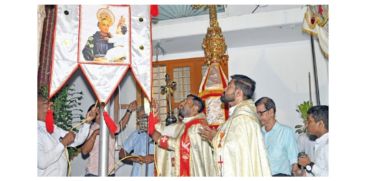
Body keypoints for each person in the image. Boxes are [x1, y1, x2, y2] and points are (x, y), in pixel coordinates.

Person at [199, 74, 271, 176]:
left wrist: (215, 137)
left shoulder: (243, 119)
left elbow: (234, 150)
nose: (225, 89)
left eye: (229, 86)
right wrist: (216, 136)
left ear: (238, 93)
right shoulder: (237, 117)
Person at [149, 94, 216, 176]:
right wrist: (154, 113)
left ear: (195, 108)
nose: (182, 104)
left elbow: (182, 145)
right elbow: (164, 131)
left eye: (186, 102)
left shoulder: (197, 126)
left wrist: (160, 139)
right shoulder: (187, 124)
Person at [37, 92, 96, 176]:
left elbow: (77, 140)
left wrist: (87, 122)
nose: (51, 103)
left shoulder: (54, 129)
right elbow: (42, 162)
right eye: (46, 103)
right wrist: (63, 143)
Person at [81, 100, 137, 176]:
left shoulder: (109, 126)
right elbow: (84, 151)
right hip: (93, 174)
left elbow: (121, 125)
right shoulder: (89, 129)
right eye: (96, 113)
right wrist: (94, 134)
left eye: (100, 111)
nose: (99, 114)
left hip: (110, 173)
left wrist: (129, 110)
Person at [255, 97, 299, 176]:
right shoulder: (258, 133)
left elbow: (294, 161)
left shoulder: (286, 132)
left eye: (261, 113)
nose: (258, 116)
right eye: (257, 113)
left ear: (271, 112)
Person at [118, 106, 155, 176]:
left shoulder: (158, 133)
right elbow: (121, 153)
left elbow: (169, 155)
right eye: (139, 118)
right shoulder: (137, 133)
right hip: (137, 174)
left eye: (144, 117)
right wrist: (134, 158)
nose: (141, 120)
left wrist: (154, 157)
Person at [297, 105, 328, 176]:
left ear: (320, 124)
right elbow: (320, 169)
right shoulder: (321, 142)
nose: (306, 125)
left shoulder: (328, 145)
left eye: (309, 121)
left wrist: (309, 164)